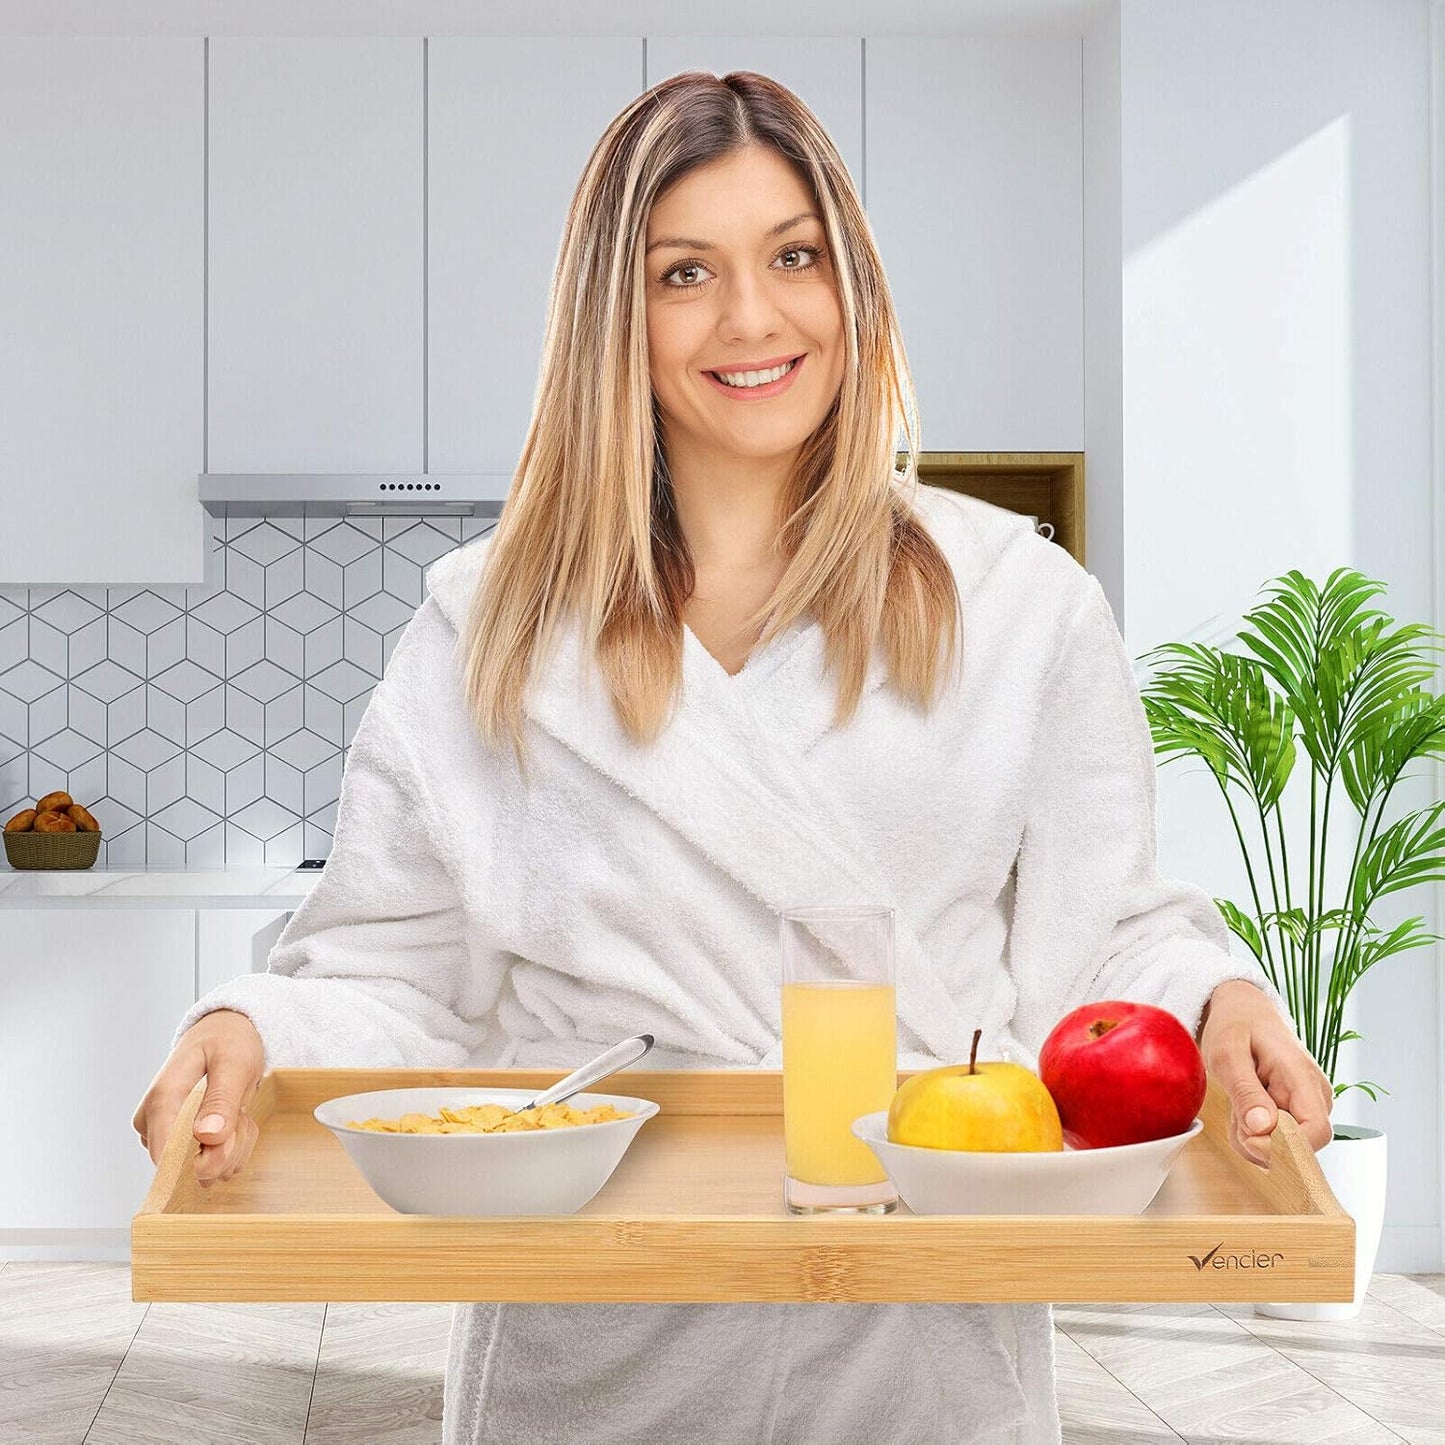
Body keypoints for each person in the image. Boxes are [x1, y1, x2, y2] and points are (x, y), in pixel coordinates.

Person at [132, 70, 1334, 1445]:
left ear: (852, 285)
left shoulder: (1017, 599)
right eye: (683, 272)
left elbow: (1109, 936)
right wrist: (250, 1028)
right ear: (612, 319)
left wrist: (1215, 1003)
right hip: (589, 1345)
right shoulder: (492, 623)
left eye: (793, 255)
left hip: (926, 1343)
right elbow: (391, 977)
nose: (753, 316)